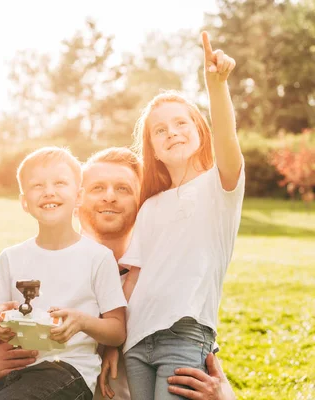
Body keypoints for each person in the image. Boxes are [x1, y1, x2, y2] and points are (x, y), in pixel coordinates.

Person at [0, 147, 237, 400]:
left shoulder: (162, 280)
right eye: (98, 187)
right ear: (81, 196)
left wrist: (224, 395)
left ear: (142, 200)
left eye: (123, 188)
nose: (109, 196)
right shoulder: (33, 260)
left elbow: (196, 355)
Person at [116, 32, 245, 400]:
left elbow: (228, 137)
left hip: (185, 334)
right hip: (136, 342)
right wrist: (113, 344)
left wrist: (216, 87)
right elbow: (132, 281)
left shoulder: (220, 188)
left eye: (181, 123)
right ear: (153, 149)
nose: (172, 132)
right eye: (160, 130)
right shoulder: (150, 206)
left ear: (200, 132)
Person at [0, 146, 127, 399]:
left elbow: (117, 331)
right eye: (37, 186)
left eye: (60, 183)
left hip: (69, 372)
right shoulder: (10, 258)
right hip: (17, 373)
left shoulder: (98, 258)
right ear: (24, 202)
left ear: (78, 197)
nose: (49, 191)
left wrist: (82, 322)